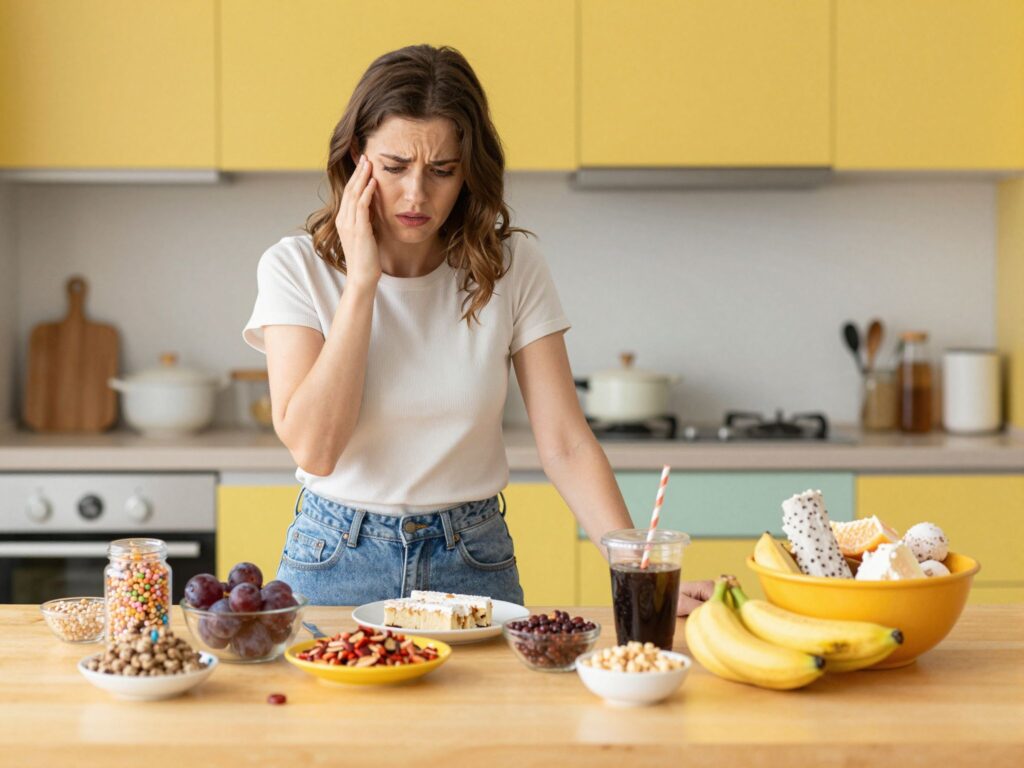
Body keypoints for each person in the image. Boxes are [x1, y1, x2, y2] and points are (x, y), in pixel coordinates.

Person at [243, 44, 712, 614]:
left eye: (442, 171)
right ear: (356, 160)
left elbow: (565, 442)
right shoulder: (295, 267)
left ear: (468, 174)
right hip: (337, 559)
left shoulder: (511, 265)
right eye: (394, 168)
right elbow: (316, 450)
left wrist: (636, 568)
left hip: (472, 559)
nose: (417, 194)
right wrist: (362, 281)